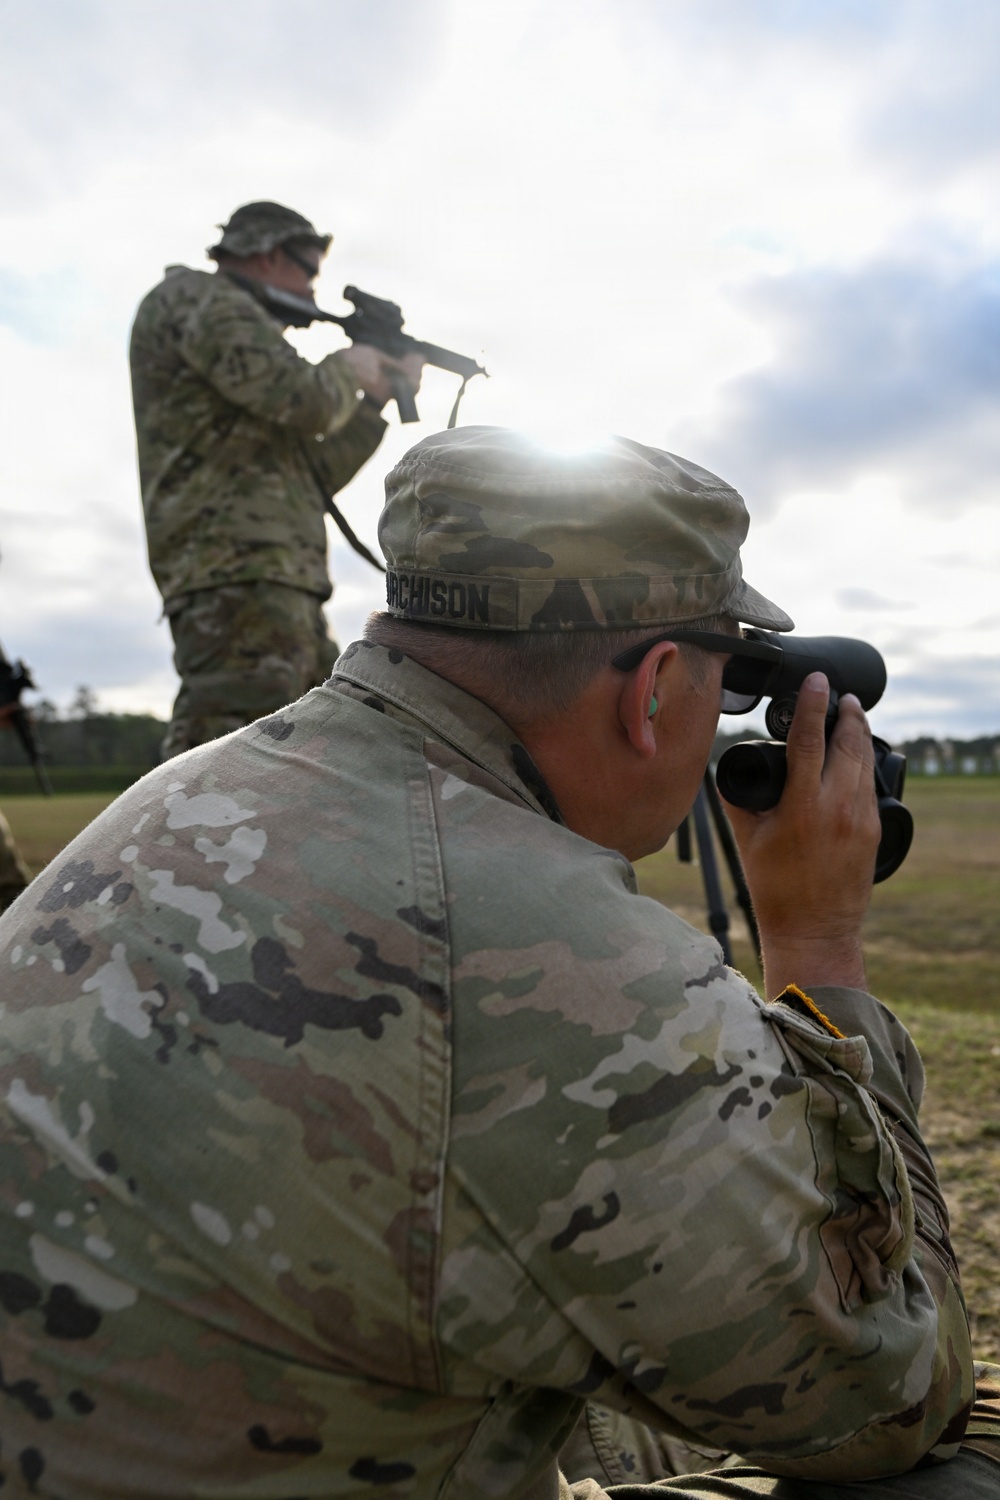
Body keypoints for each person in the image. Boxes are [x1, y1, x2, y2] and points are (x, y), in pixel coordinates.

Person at [0, 427, 997, 1499]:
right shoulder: (563, 971)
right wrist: (816, 943)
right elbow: (886, 1395)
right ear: (655, 687)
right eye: (731, 673)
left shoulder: (183, 794)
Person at [129, 199, 423, 759]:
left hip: (278, 578)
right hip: (233, 571)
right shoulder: (197, 298)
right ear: (265, 255)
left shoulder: (246, 346)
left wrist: (371, 406)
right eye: (308, 271)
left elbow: (309, 478)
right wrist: (347, 366)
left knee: (304, 757)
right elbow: (306, 399)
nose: (314, 292)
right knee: (228, 759)